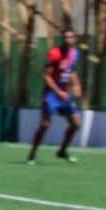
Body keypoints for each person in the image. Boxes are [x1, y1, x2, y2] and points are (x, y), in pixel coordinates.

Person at [27, 27, 83, 163]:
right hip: (51, 95)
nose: (68, 40)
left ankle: (62, 151)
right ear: (62, 39)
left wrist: (76, 85)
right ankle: (32, 155)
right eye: (65, 37)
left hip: (65, 95)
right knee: (45, 124)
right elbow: (46, 75)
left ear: (74, 40)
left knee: (76, 124)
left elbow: (72, 72)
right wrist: (59, 92)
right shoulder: (54, 53)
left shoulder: (75, 53)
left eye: (70, 37)